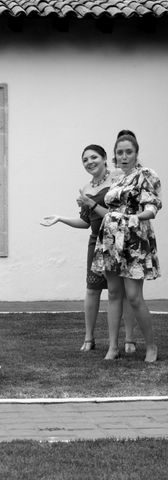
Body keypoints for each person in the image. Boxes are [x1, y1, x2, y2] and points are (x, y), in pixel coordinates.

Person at [41, 144, 137, 352]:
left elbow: (118, 214)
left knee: (124, 292)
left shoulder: (119, 178)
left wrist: (89, 203)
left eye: (94, 157)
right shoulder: (85, 189)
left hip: (120, 241)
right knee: (92, 290)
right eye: (85, 160)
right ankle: (89, 338)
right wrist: (60, 218)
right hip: (96, 243)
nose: (89, 162)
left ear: (104, 159)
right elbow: (85, 222)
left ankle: (129, 339)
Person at [92, 133, 161, 362]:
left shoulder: (146, 175)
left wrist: (137, 218)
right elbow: (111, 212)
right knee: (113, 293)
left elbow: (152, 207)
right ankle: (113, 346)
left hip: (133, 240)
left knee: (133, 296)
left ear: (136, 153)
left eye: (128, 152)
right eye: (120, 152)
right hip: (111, 239)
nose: (123, 156)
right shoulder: (117, 180)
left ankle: (151, 346)